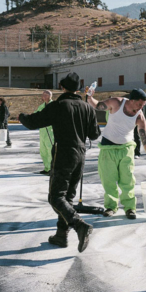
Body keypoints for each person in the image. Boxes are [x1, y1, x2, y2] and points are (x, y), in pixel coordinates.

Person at [18, 73, 100, 252]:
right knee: (67, 197)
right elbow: (95, 135)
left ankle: (79, 225)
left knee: (55, 196)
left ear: (62, 87)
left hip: (64, 153)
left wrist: (22, 116)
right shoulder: (87, 108)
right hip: (81, 155)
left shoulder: (59, 105)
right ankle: (61, 236)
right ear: (77, 89)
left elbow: (34, 122)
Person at [87, 89, 146, 219]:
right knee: (108, 179)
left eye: (143, 105)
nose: (141, 108)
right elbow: (98, 106)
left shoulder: (139, 116)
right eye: (140, 104)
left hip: (126, 149)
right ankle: (111, 207)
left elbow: (144, 137)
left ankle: (130, 208)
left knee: (127, 180)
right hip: (108, 148)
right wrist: (90, 97)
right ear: (132, 101)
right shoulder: (117, 103)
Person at [35, 90, 54, 175]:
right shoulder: (41, 106)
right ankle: (47, 168)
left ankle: (52, 168)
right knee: (43, 151)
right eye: (43, 95)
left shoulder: (53, 105)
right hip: (42, 132)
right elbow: (35, 115)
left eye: (46, 95)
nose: (44, 97)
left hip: (50, 132)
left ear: (50, 96)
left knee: (50, 150)